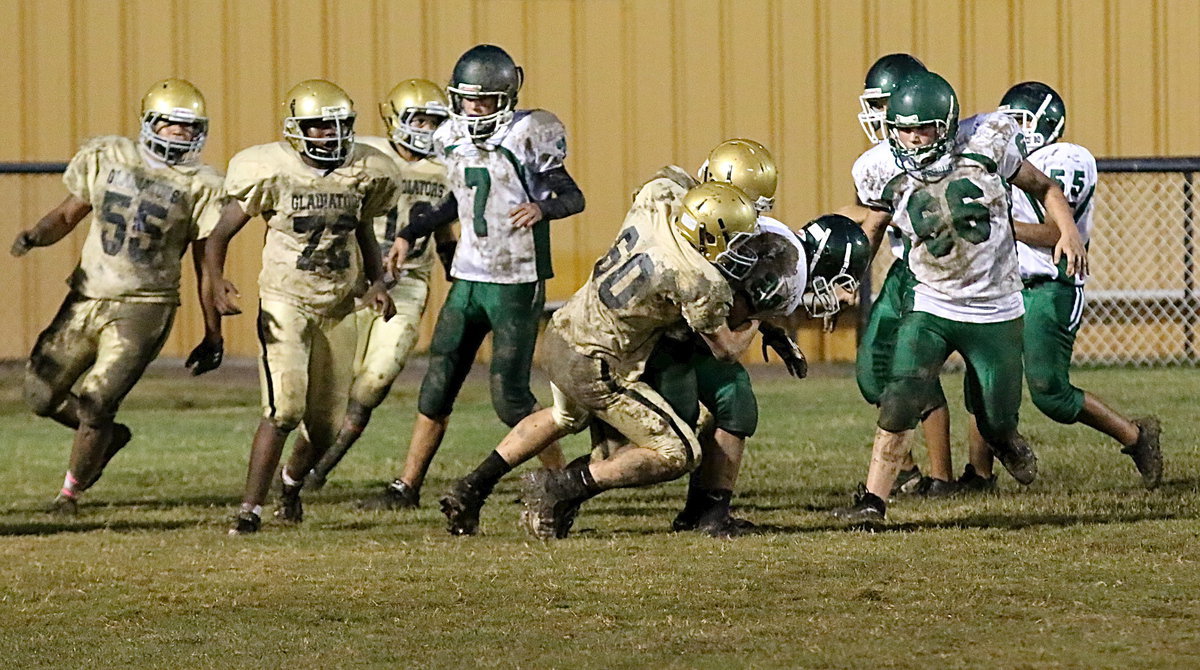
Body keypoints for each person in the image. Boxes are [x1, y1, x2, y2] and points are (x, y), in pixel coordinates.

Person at [439, 181, 761, 539]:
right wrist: (761, 317)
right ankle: (562, 487)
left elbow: (660, 183)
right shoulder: (697, 278)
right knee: (679, 452)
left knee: (564, 416)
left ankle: (473, 486)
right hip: (598, 363)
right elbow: (726, 350)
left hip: (565, 329)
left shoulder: (657, 201)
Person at [832, 70, 1087, 521]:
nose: (911, 139)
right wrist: (851, 277)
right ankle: (873, 501)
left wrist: (1068, 232)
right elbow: (873, 225)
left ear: (947, 124)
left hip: (996, 306)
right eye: (902, 128)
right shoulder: (878, 168)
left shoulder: (987, 143)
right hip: (932, 300)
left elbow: (1045, 187)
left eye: (922, 128)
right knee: (901, 391)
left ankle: (1005, 440)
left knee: (996, 420)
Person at [360, 44, 584, 510]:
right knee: (438, 382)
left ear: (506, 96)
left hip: (516, 280)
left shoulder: (529, 133)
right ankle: (407, 487)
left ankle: (562, 485)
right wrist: (408, 233)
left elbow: (573, 196)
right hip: (468, 276)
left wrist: (543, 207)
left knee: (510, 397)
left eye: (484, 101)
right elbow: (457, 203)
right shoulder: (451, 137)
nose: (474, 109)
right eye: (466, 100)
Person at [12, 78, 225, 515]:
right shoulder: (109, 156)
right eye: (175, 125)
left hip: (145, 305)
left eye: (191, 127)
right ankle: (108, 435)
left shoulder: (202, 183)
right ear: (152, 123)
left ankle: (69, 494)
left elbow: (207, 264)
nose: (183, 135)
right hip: (87, 293)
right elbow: (70, 213)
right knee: (39, 396)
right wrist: (36, 234)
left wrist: (213, 331)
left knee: (97, 398)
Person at [205, 79, 399, 535]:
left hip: (338, 304)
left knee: (326, 428)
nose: (329, 137)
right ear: (297, 131)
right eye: (318, 128)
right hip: (285, 298)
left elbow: (364, 229)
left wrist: (375, 282)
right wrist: (214, 280)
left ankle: (289, 487)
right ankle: (249, 511)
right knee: (284, 408)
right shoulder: (270, 170)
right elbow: (219, 234)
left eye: (337, 127)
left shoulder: (366, 171)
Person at [958, 81, 1162, 491]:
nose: (1011, 130)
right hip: (1005, 285)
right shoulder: (1004, 159)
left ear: (1045, 122)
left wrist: (1001, 227)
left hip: (1051, 286)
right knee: (982, 376)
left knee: (1050, 393)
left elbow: (1058, 234)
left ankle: (1136, 437)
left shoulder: (1065, 158)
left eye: (1019, 121)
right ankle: (978, 475)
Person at [297, 79, 458, 490]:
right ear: (395, 118)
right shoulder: (362, 155)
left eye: (435, 121)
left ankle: (322, 469)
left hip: (407, 284)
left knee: (375, 380)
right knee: (329, 387)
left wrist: (456, 272)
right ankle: (296, 473)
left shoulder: (448, 166)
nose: (426, 129)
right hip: (352, 283)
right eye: (418, 119)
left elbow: (445, 232)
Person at [846, 53, 958, 496]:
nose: (876, 116)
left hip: (944, 271)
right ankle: (909, 471)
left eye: (883, 104)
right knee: (874, 373)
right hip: (903, 267)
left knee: (922, 375)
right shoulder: (875, 162)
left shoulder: (953, 149)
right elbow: (871, 215)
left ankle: (943, 477)